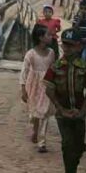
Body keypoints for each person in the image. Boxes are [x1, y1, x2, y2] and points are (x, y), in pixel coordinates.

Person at [44, 29, 86, 173]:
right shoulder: (56, 66)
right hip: (63, 114)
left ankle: (74, 163)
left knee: (78, 146)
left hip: (79, 114)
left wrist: (83, 110)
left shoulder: (84, 66)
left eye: (71, 46)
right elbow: (49, 90)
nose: (67, 49)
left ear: (79, 46)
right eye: (64, 45)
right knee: (67, 145)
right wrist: (61, 109)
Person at [20, 24, 55, 153]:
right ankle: (35, 130)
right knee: (35, 113)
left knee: (45, 112)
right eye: (48, 35)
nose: (51, 37)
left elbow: (53, 69)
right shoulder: (31, 54)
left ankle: (42, 141)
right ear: (41, 37)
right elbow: (24, 72)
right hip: (33, 86)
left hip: (47, 86)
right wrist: (23, 89)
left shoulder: (51, 53)